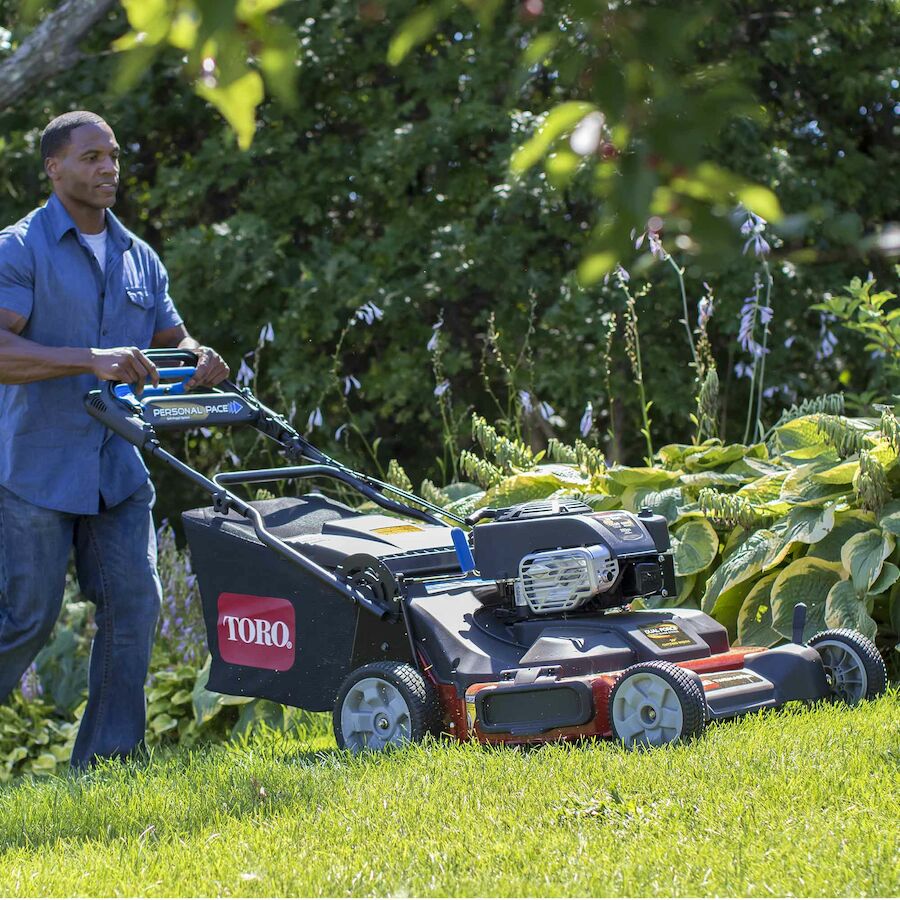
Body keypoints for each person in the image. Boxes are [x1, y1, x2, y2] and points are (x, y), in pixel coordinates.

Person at [0, 110, 229, 767]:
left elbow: (170, 337)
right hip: (36, 470)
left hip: (117, 467)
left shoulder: (138, 257)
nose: (109, 168)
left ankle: (107, 763)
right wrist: (89, 359)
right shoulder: (20, 249)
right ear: (54, 168)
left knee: (134, 607)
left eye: (114, 157)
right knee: (27, 619)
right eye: (92, 157)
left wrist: (198, 355)